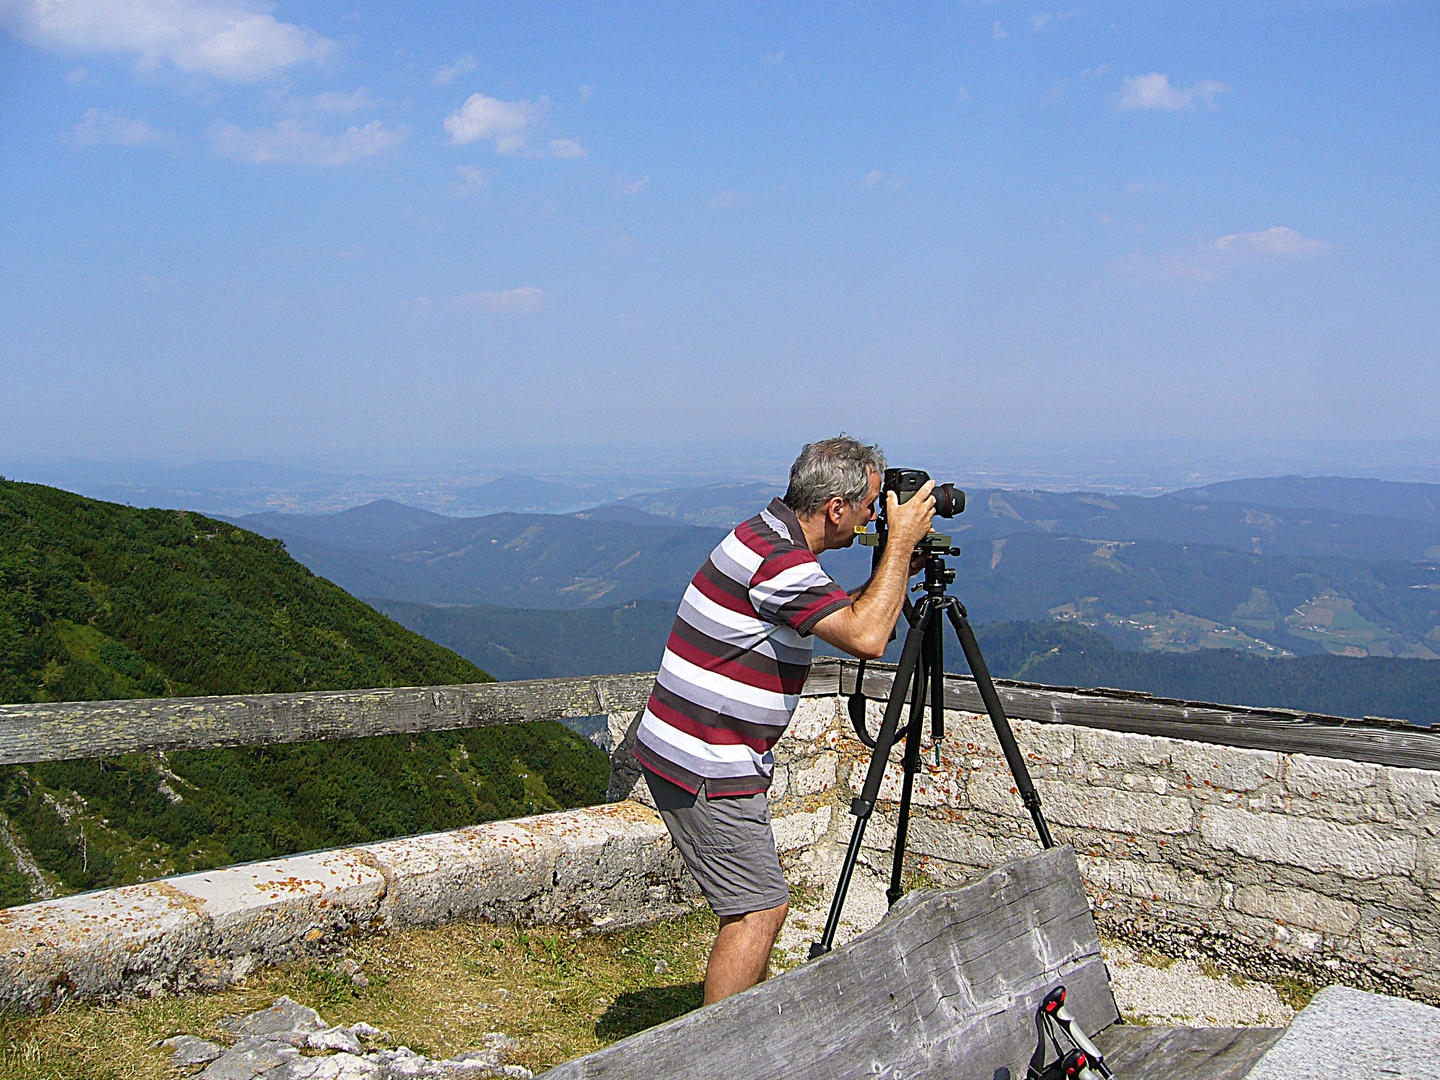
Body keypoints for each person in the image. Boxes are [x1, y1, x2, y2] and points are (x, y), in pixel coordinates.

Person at [632, 434, 936, 1003]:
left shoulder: (766, 535)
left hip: (692, 752)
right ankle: (718, 1056)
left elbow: (842, 617)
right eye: (871, 504)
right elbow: (868, 636)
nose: (877, 515)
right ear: (835, 509)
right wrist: (897, 552)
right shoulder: (781, 562)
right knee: (758, 911)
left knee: (756, 905)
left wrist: (889, 571)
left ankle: (745, 1026)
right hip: (707, 763)